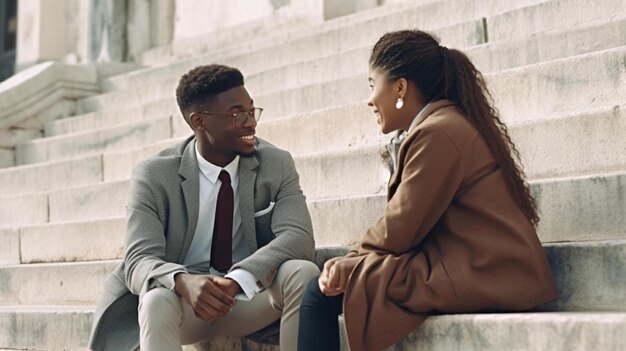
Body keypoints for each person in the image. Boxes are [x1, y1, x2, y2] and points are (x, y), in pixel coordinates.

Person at [297, 30, 558, 351]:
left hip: (485, 270)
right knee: (337, 283)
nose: (369, 99)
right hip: (483, 265)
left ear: (400, 87)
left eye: (371, 85)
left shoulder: (438, 132)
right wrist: (354, 260)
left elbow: (402, 228)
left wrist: (350, 261)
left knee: (319, 293)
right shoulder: (442, 124)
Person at [88, 64, 319, 351]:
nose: (251, 123)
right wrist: (183, 282)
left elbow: (298, 236)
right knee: (155, 300)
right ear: (199, 122)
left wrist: (238, 279)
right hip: (184, 305)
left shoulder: (276, 162)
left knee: (302, 272)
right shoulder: (154, 175)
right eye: (237, 115)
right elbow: (138, 260)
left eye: (251, 110)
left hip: (249, 295)